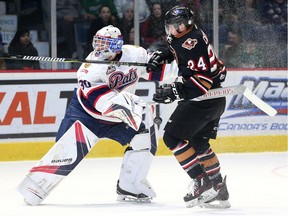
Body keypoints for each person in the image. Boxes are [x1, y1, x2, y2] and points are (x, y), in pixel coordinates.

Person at [55, 25, 157, 202]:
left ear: (117, 45)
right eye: (98, 43)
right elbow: (101, 102)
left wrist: (168, 65)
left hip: (116, 119)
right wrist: (132, 104)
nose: (99, 48)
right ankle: (37, 186)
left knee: (144, 139)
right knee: (61, 155)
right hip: (85, 114)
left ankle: (130, 185)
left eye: (104, 44)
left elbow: (158, 70)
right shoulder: (89, 68)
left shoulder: (135, 54)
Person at [146, 5, 230, 208]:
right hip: (215, 100)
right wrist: (163, 55)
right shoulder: (187, 36)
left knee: (172, 138)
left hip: (201, 101)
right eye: (172, 26)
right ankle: (219, 189)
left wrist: (174, 91)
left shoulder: (190, 43)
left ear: (185, 25)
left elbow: (202, 84)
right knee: (199, 142)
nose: (174, 29)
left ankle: (201, 182)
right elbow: (181, 53)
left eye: (178, 25)